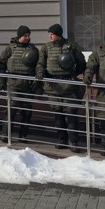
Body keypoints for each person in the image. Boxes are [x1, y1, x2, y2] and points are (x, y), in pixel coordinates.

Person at [36, 24, 86, 152]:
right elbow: (40, 63)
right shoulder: (46, 47)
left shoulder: (70, 46)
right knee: (58, 114)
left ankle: (73, 141)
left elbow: (81, 62)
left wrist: (74, 74)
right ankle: (61, 139)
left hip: (68, 85)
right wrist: (40, 72)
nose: (50, 36)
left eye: (52, 34)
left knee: (71, 114)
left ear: (58, 34)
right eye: (49, 34)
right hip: (53, 86)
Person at [0, 25, 41, 143]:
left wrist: (37, 81)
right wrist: (2, 80)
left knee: (26, 111)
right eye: (25, 35)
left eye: (28, 35)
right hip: (13, 83)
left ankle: (23, 135)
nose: (27, 38)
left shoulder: (33, 49)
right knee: (11, 109)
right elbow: (2, 64)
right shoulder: (10, 48)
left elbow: (39, 65)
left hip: (28, 84)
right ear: (19, 36)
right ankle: (6, 134)